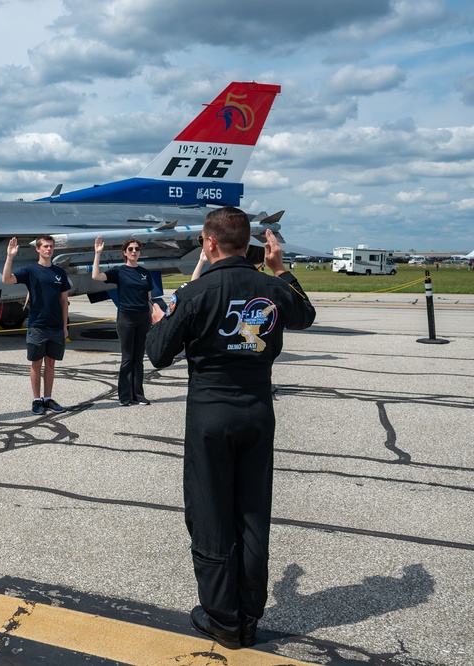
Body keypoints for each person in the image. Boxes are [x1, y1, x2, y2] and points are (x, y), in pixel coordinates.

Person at [145, 206, 316, 649]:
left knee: (210, 512)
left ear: (210, 242)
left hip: (211, 415)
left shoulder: (196, 292)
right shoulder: (270, 287)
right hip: (258, 411)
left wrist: (161, 322)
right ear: (250, 244)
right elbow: (306, 315)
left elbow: (159, 355)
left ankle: (223, 618)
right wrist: (280, 270)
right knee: (252, 513)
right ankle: (249, 615)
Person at [1, 235, 70, 415]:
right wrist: (10, 257)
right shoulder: (30, 270)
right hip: (37, 325)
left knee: (51, 363)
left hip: (55, 326)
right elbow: (6, 279)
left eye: (51, 246)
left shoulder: (59, 273)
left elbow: (64, 301)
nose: (48, 249)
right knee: (36, 363)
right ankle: (36, 399)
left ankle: (47, 399)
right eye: (45, 246)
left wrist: (64, 326)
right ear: (38, 249)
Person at [91, 236, 155, 405]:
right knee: (127, 358)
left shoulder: (145, 273)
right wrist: (98, 253)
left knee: (139, 358)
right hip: (126, 318)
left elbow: (149, 298)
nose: (134, 252)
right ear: (125, 253)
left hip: (143, 318)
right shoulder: (118, 271)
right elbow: (96, 276)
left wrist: (153, 317)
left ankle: (138, 395)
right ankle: (124, 396)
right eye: (131, 249)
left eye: (137, 249)